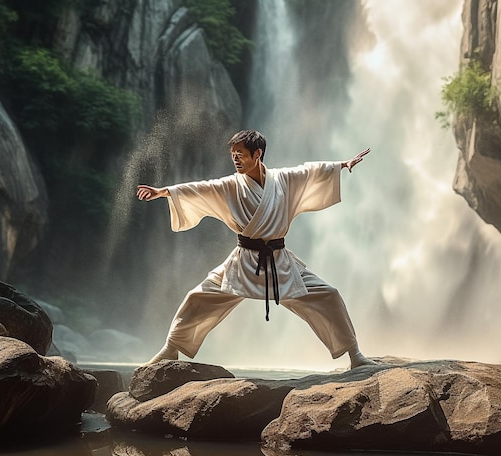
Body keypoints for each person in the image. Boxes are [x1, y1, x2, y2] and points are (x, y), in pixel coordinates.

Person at [136, 130, 375, 368]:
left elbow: (310, 172)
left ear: (257, 154)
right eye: (233, 155)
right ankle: (170, 349)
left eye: (240, 154)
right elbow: (200, 188)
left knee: (328, 295)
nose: (235, 159)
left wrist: (342, 165)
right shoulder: (230, 185)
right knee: (197, 297)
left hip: (279, 261)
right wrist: (164, 192)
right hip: (243, 262)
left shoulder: (283, 179)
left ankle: (355, 355)